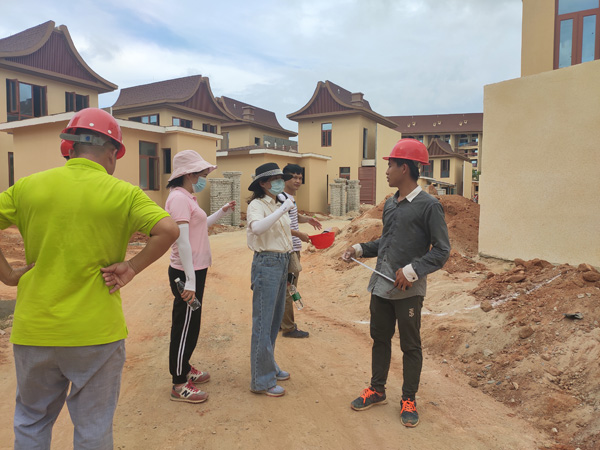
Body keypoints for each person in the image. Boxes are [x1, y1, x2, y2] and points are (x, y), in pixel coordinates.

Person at [0, 108, 179, 449]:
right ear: (112, 152)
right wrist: (132, 266)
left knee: (32, 420)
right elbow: (168, 230)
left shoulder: (28, 186)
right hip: (96, 333)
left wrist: (8, 275)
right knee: (92, 426)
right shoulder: (124, 193)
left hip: (35, 329)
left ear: (70, 148)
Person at [342, 139, 450, 428]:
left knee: (410, 346)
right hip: (381, 286)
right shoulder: (390, 204)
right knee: (380, 338)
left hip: (408, 291)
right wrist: (358, 249)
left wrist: (412, 271)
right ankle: (377, 389)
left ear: (405, 168)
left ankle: (409, 399)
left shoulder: (429, 206)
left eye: (390, 165)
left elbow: (442, 251)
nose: (386, 171)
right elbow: (386, 242)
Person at [165, 150, 235, 403]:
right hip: (186, 273)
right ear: (188, 173)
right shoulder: (178, 198)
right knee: (184, 326)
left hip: (195, 271)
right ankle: (178, 382)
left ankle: (185, 367)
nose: (203, 176)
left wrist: (221, 212)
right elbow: (182, 241)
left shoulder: (187, 197)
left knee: (191, 324)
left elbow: (199, 227)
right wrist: (191, 282)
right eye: (201, 173)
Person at [246, 162, 295, 397]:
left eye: (281, 178)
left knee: (274, 321)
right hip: (267, 263)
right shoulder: (257, 205)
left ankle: (269, 365)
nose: (280, 182)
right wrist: (283, 209)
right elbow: (257, 229)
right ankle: (261, 380)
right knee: (263, 324)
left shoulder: (277, 203)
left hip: (281, 261)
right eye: (275, 179)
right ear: (263, 183)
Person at [278, 163, 322, 338]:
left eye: (300, 178)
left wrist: (307, 219)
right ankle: (288, 327)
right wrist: (300, 235)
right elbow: (279, 226)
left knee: (285, 287)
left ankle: (281, 322)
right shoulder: (282, 198)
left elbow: (293, 217)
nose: (297, 181)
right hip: (289, 250)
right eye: (294, 177)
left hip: (292, 249)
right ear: (285, 178)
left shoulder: (288, 198)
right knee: (290, 289)